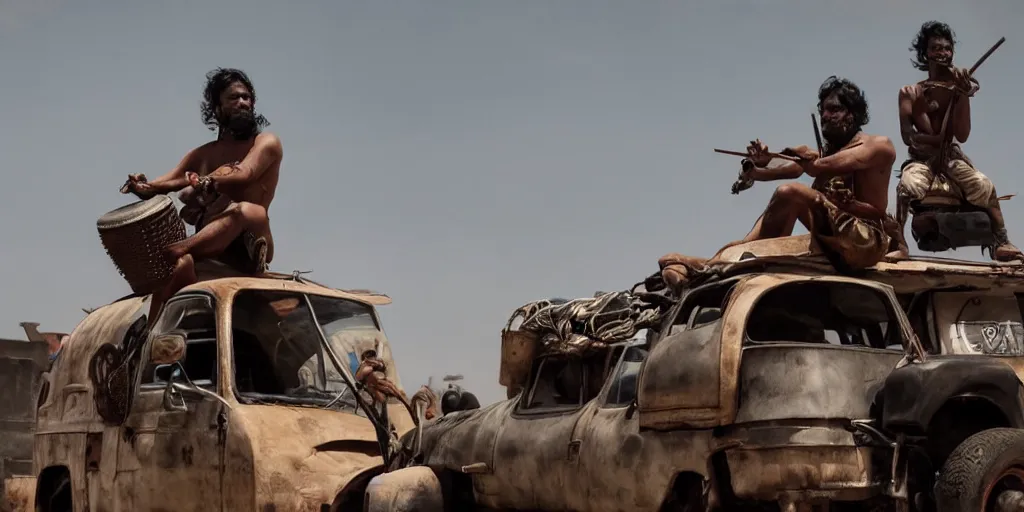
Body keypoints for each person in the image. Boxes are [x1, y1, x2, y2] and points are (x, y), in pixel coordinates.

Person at [121, 67, 283, 324]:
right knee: (180, 266)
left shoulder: (266, 142)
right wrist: (144, 187)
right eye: (233, 98)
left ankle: (181, 247)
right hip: (210, 253)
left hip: (250, 249)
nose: (243, 103)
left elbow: (245, 173)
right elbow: (168, 182)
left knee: (249, 210)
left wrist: (209, 180)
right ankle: (148, 338)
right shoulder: (202, 154)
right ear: (217, 109)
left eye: (246, 97)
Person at [721, 76, 898, 272]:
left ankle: (755, 257)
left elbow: (827, 165)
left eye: (834, 110)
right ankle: (744, 253)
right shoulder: (821, 157)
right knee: (744, 243)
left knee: (791, 192)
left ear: (852, 115)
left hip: (866, 241)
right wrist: (760, 164)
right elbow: (784, 167)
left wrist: (819, 170)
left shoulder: (877, 146)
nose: (825, 116)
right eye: (823, 110)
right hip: (833, 237)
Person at [893, 21, 1021, 261]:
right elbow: (907, 137)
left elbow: (962, 135)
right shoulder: (909, 92)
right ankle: (898, 242)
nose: (942, 53)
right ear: (926, 53)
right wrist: (933, 139)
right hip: (922, 159)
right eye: (936, 48)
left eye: (947, 48)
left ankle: (1001, 241)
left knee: (984, 185)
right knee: (907, 187)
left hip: (951, 158)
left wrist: (962, 95)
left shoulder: (959, 85)